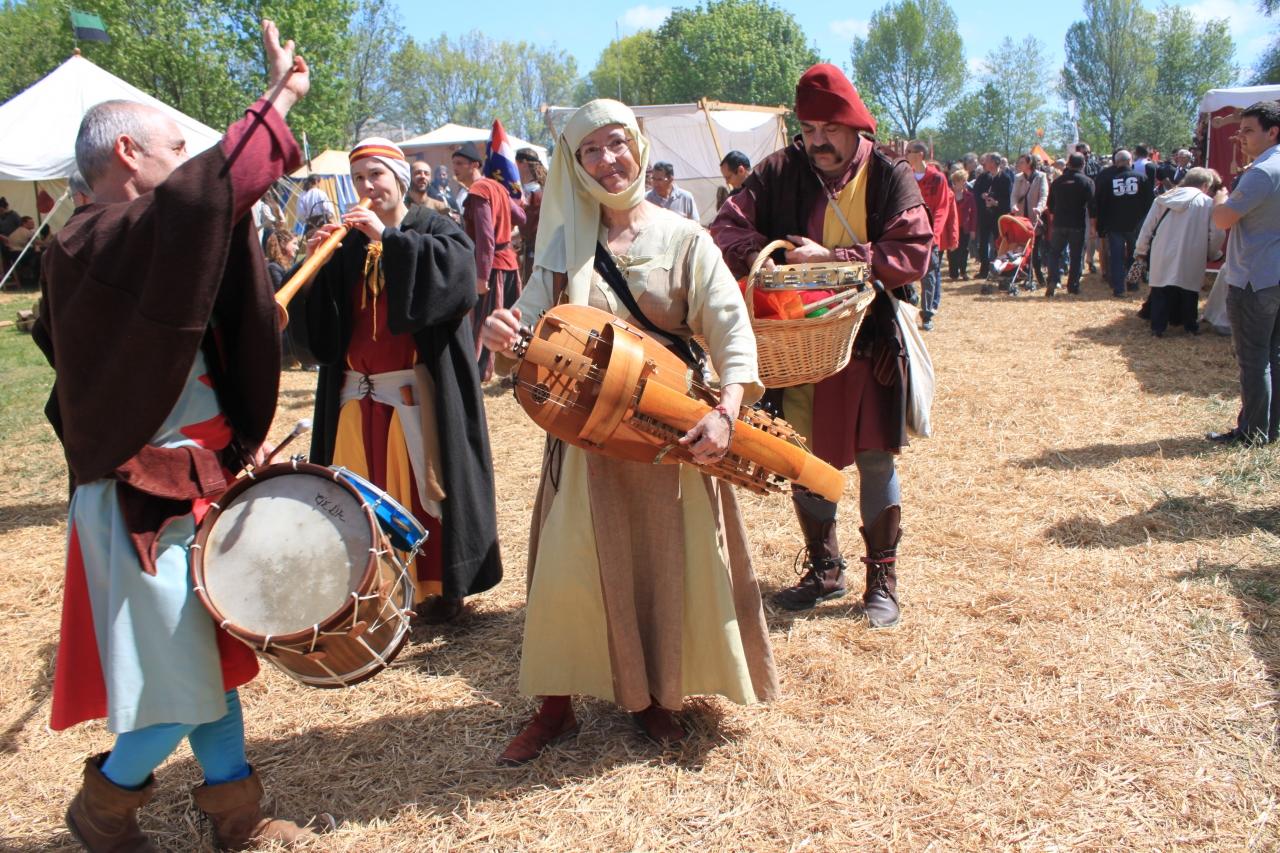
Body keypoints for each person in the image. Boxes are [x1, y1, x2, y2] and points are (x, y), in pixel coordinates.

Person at [31, 21, 325, 852]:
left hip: (190, 482)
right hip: (144, 500)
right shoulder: (91, 240)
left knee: (202, 665)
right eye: (172, 145)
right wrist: (278, 97)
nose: (185, 158)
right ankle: (103, 807)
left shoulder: (125, 243)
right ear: (126, 152)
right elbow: (203, 196)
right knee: (182, 678)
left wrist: (229, 442)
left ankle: (237, 814)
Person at [480, 99, 778, 764]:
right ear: (575, 164)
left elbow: (730, 329)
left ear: (638, 147)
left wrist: (727, 409)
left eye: (617, 143)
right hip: (585, 437)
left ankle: (658, 699)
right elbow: (528, 326)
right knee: (569, 570)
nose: (607, 159)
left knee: (663, 564)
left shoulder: (684, 238)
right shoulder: (564, 247)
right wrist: (504, 333)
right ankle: (555, 705)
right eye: (591, 150)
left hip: (668, 434)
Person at [711, 63, 932, 628]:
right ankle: (825, 569)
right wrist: (771, 256)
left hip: (869, 347)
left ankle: (882, 579)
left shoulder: (887, 175)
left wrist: (836, 259)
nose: (818, 141)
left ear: (855, 125)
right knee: (805, 458)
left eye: (829, 129)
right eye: (809, 129)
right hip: (797, 346)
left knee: (875, 457)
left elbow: (912, 251)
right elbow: (726, 228)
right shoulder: (780, 170)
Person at [294, 137, 503, 623]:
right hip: (355, 395)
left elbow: (458, 280)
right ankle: (368, 590)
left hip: (414, 396)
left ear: (399, 179)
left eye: (376, 175)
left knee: (424, 492)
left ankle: (435, 588)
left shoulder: (434, 227)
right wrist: (316, 268)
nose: (367, 185)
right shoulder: (347, 241)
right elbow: (325, 327)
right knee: (354, 493)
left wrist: (389, 241)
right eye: (359, 177)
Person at [1207, 101, 1280, 446]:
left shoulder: (1262, 172)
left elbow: (1223, 219)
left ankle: (1252, 432)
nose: (1241, 137)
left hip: (1255, 275)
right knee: (1273, 355)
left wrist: (1220, 198)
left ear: (1273, 132)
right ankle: (1270, 427)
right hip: (1272, 273)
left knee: (1253, 359)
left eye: (1248, 130)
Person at [452, 141, 522, 382]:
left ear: (475, 165)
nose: (455, 169)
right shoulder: (497, 187)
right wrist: (506, 229)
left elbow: (485, 236)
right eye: (454, 164)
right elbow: (520, 216)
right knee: (509, 320)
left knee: (486, 322)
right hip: (509, 263)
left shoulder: (479, 190)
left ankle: (481, 372)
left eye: (459, 164)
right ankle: (514, 370)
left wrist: (481, 276)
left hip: (493, 268)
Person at [1134, 167, 1226, 336]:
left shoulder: (1163, 199)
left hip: (1162, 250)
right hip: (1192, 252)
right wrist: (1213, 253)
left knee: (1161, 289)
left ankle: (1157, 328)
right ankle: (1190, 327)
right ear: (1205, 185)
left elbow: (1147, 227)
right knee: (1189, 290)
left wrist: (1141, 249)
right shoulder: (1207, 204)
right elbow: (1217, 233)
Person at [905, 141, 958, 330]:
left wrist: (933, 235)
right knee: (905, 272)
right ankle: (911, 300)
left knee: (928, 276)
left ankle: (927, 314)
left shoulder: (938, 178)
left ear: (920, 154)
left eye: (909, 152)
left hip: (929, 236)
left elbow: (942, 208)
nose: (906, 154)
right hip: (910, 234)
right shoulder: (907, 176)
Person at [1094, 149, 1154, 296]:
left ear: (1116, 162)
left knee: (1116, 257)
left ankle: (1118, 288)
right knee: (1136, 255)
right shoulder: (1142, 178)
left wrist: (1100, 227)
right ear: (1129, 161)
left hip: (1114, 225)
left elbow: (1101, 205)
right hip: (1136, 225)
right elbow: (1150, 204)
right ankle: (1133, 284)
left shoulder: (1109, 181)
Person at [1044, 153, 1095, 297]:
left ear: (1068, 164)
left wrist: (1054, 220)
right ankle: (1073, 286)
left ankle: (1053, 279)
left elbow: (1050, 205)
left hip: (1059, 223)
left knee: (1054, 253)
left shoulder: (1057, 182)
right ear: (1083, 164)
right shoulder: (1087, 182)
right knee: (1076, 255)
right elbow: (1092, 206)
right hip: (1077, 224)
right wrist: (1093, 226)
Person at [972, 152, 1012, 277]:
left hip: (998, 217)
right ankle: (984, 270)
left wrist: (996, 203)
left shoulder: (1005, 178)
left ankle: (998, 269)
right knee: (983, 243)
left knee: (998, 243)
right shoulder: (983, 177)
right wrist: (982, 195)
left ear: (995, 162)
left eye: (988, 160)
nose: (985, 163)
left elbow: (1008, 199)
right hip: (984, 215)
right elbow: (975, 192)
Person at [515, 147, 546, 285]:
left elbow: (532, 228)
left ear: (523, 163)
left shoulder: (536, 193)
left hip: (537, 253)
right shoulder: (531, 190)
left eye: (516, 163)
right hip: (532, 251)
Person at [949, 169, 976, 280]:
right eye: (963, 180)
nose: (965, 183)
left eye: (966, 180)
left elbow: (974, 214)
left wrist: (973, 230)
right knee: (952, 250)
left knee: (964, 250)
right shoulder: (949, 194)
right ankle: (953, 273)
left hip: (964, 227)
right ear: (956, 181)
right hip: (951, 227)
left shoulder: (970, 195)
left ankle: (963, 271)